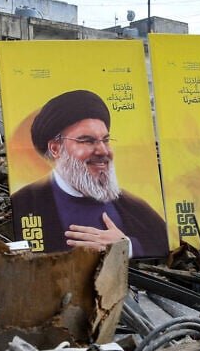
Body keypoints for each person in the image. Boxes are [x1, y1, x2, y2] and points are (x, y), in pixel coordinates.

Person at [10, 89, 168, 257]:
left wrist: (127, 247)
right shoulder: (25, 203)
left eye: (105, 140)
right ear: (55, 148)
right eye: (87, 141)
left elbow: (167, 248)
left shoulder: (134, 207)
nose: (103, 151)